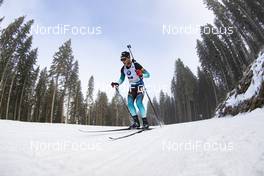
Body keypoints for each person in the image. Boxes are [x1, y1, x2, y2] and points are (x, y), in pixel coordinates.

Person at [111, 51, 150, 129]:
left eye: (124, 59)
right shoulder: (123, 69)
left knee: (138, 103)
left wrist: (141, 74)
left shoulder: (136, 65)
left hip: (140, 85)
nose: (123, 61)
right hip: (132, 87)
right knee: (130, 104)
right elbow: (121, 79)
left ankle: (145, 123)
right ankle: (136, 123)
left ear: (129, 58)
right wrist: (117, 83)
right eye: (121, 60)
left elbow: (148, 74)